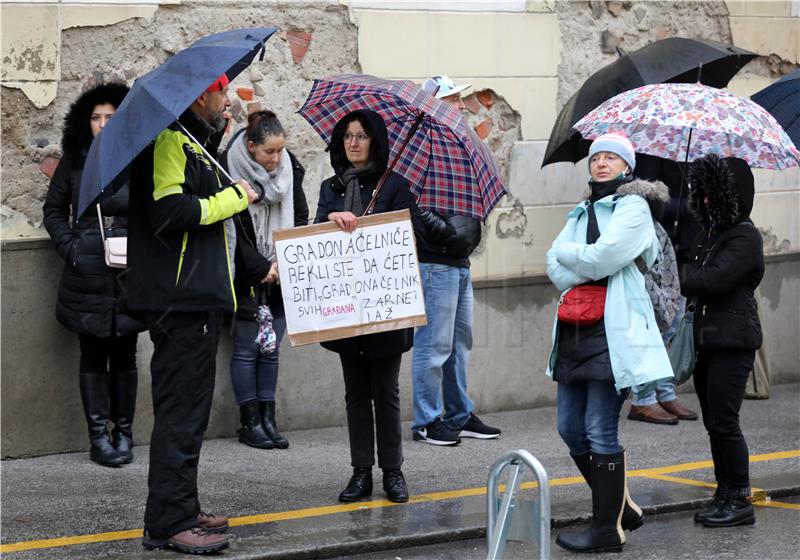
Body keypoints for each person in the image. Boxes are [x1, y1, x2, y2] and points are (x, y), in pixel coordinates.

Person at [128, 73, 259, 554]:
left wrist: (215, 138)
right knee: (181, 414)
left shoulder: (191, 140)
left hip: (195, 299)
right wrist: (236, 198)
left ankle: (181, 505)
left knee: (189, 412)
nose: (228, 101)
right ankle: (168, 522)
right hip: (181, 300)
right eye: (223, 93)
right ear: (204, 93)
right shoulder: (169, 140)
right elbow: (172, 210)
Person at [546, 133, 673, 553]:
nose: (601, 163)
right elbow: (554, 268)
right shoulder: (580, 210)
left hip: (613, 332)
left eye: (610, 158)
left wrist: (573, 254)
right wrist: (580, 258)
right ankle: (621, 506)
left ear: (627, 167)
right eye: (595, 157)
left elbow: (604, 257)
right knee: (569, 427)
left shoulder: (635, 207)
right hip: (574, 327)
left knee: (599, 428)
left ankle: (607, 529)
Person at [314, 109, 421, 504]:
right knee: (355, 392)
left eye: (361, 136)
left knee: (386, 391)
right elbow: (315, 236)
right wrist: (331, 219)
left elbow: (408, 236)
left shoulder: (395, 185)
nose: (354, 143)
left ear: (375, 141)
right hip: (345, 308)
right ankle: (361, 472)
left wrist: (372, 223)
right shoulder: (330, 186)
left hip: (385, 307)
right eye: (347, 136)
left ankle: (392, 470)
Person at [43, 82, 144, 468]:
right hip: (86, 273)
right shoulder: (74, 162)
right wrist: (72, 250)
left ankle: (125, 434)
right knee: (92, 354)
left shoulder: (137, 158)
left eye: (111, 117)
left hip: (129, 271)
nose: (102, 124)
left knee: (126, 354)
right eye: (96, 117)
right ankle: (99, 438)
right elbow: (53, 211)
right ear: (85, 122)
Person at [410, 75, 501, 447]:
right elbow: (413, 205)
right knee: (434, 345)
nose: (462, 106)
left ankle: (458, 413)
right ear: (432, 103)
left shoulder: (456, 144)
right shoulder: (420, 148)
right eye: (452, 99)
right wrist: (445, 234)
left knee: (458, 343)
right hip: (435, 261)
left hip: (459, 262)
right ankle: (427, 420)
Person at [681, 154, 763, 528]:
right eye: (703, 194)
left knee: (725, 421)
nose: (707, 201)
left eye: (713, 193)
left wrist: (682, 272)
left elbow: (714, 280)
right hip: (706, 340)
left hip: (734, 341)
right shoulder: (707, 235)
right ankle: (724, 490)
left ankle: (740, 495)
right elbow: (696, 274)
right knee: (714, 422)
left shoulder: (745, 236)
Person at [222, 110, 308, 449]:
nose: (276, 158)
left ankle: (269, 419)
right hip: (246, 274)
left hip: (280, 271)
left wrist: (281, 259)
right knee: (246, 348)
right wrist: (260, 266)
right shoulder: (228, 170)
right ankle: (250, 422)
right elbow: (231, 226)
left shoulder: (290, 168)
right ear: (251, 145)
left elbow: (299, 214)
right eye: (268, 152)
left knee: (270, 349)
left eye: (280, 150)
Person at [627, 171, 699, 425]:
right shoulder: (634, 214)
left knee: (668, 335)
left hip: (669, 275)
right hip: (643, 284)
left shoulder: (656, 226)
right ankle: (643, 400)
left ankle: (665, 394)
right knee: (647, 340)